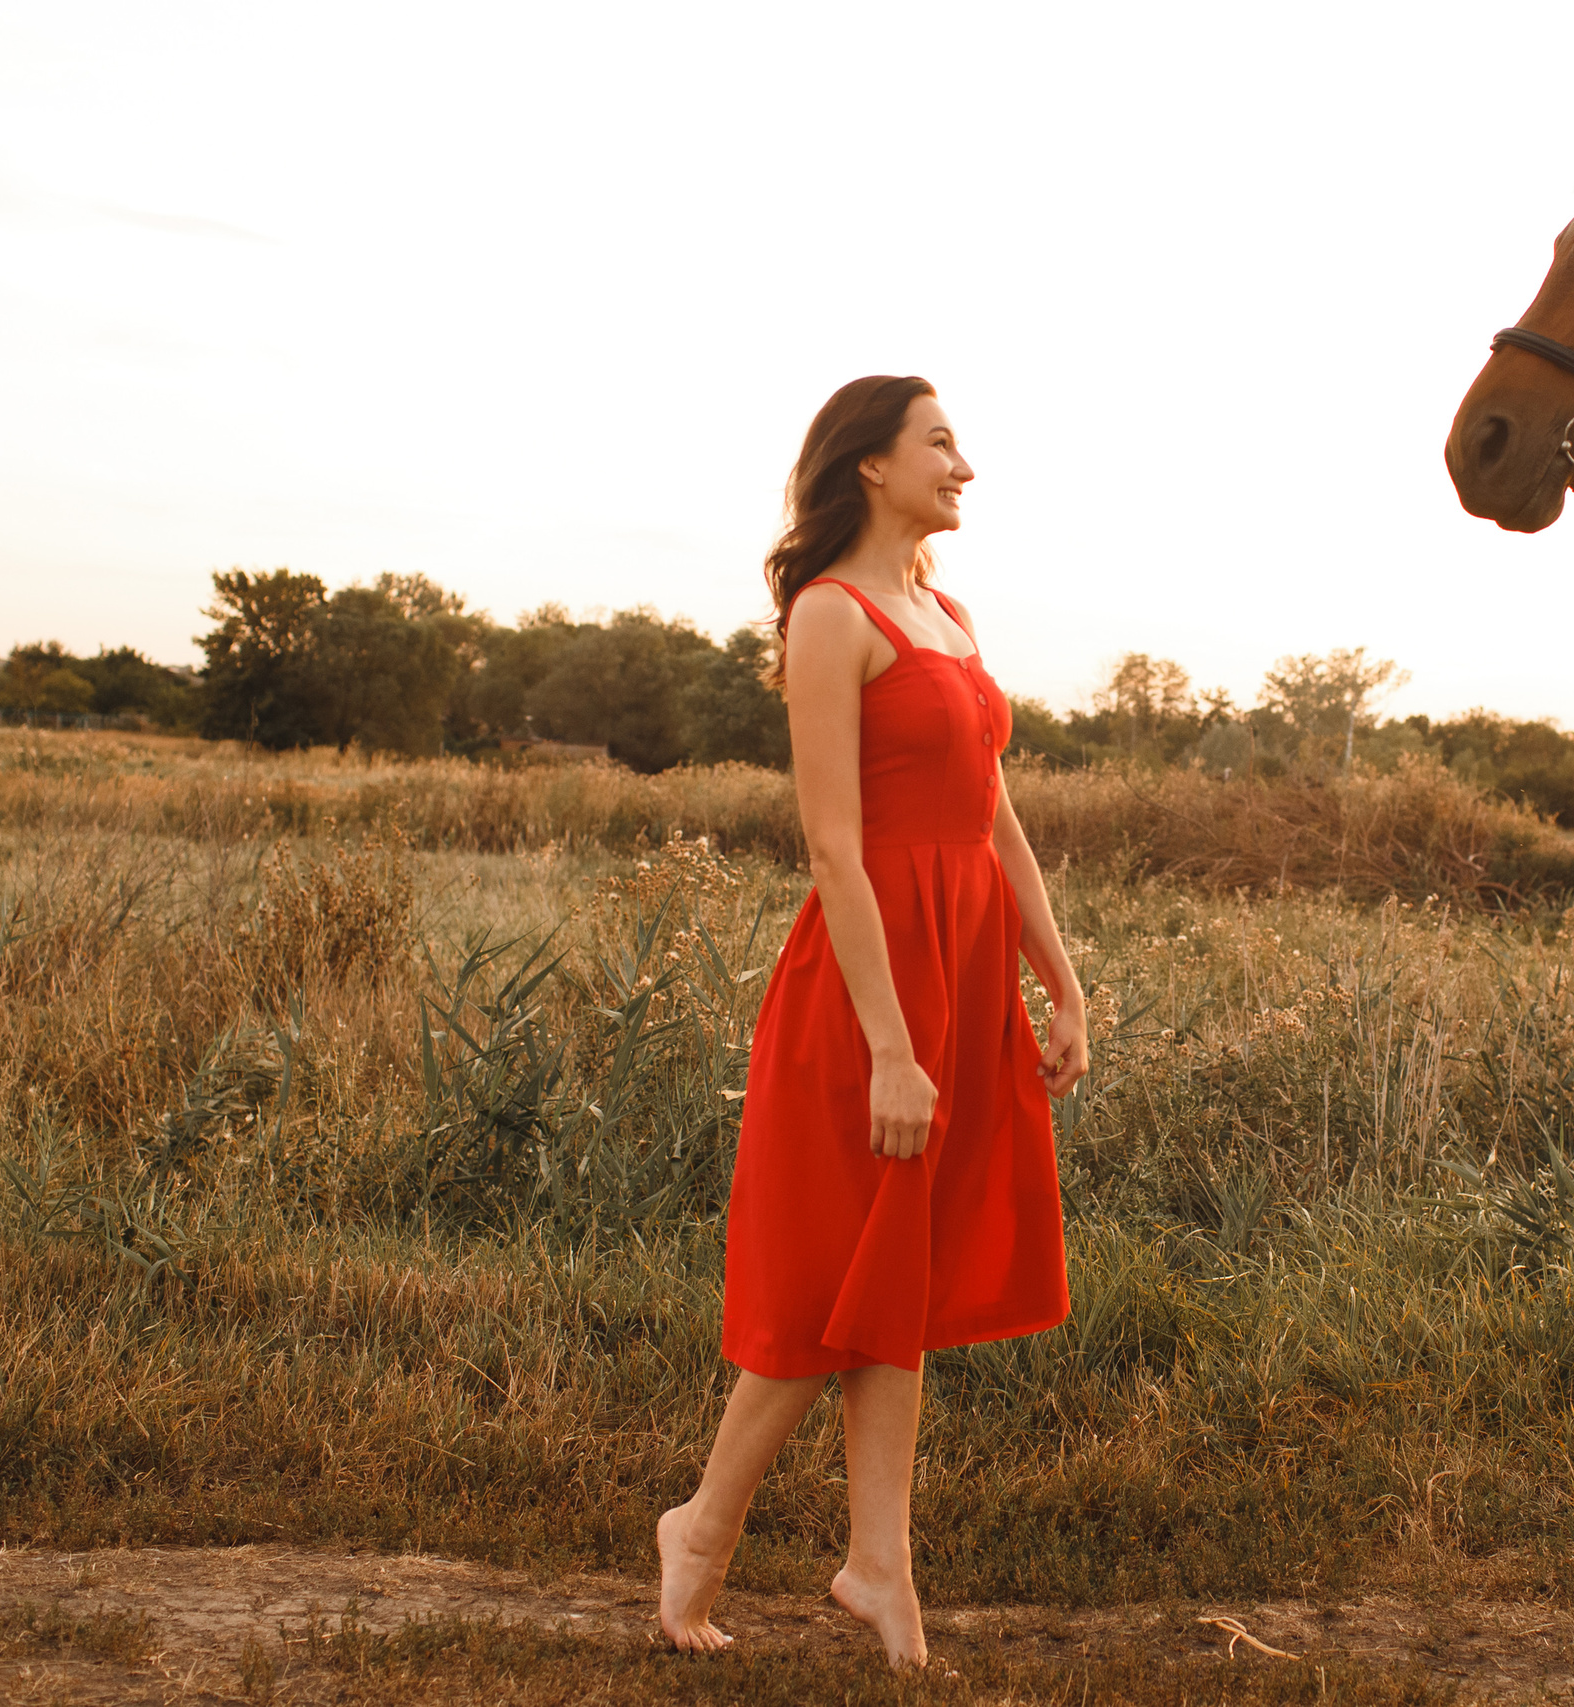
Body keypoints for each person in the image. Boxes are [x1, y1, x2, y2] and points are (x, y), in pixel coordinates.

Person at [655, 376, 1090, 1669]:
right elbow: (836, 851)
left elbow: (994, 818)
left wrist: (1058, 981)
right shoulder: (831, 618)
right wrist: (891, 1045)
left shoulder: (945, 614)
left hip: (959, 967)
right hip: (868, 982)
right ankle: (705, 1528)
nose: (966, 465)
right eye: (941, 443)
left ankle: (875, 1565)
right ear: (870, 468)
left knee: (897, 1274)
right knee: (840, 1270)